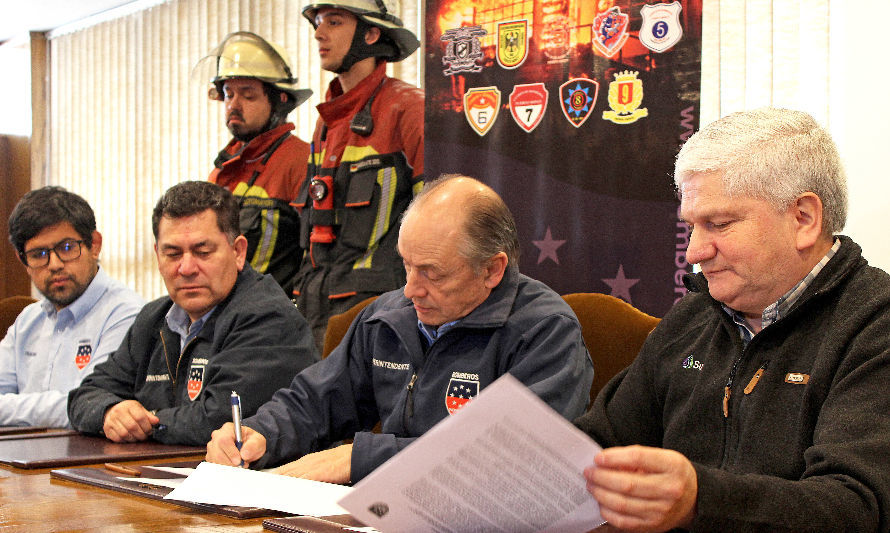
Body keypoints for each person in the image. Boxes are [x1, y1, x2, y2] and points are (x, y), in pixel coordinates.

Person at [577, 108, 890, 532]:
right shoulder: (694, 317)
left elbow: (857, 507)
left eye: (718, 224)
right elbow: (598, 443)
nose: (694, 251)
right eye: (692, 227)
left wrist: (700, 500)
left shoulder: (875, 324)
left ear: (803, 219)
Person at [207, 175, 594, 483]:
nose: (411, 289)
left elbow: (516, 458)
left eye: (432, 273)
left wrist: (363, 459)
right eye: (407, 265)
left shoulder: (544, 331)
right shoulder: (388, 317)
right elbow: (317, 401)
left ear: (492, 269)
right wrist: (260, 433)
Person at [68, 181, 318, 445]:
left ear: (238, 252)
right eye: (173, 254)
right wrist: (110, 412)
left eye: (203, 252)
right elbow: (85, 396)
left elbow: (220, 420)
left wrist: (146, 421)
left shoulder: (268, 317)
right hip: (160, 474)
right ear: (157, 256)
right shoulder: (154, 318)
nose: (186, 268)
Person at [291, 0, 425, 350]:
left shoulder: (409, 109)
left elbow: (437, 229)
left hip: (379, 316)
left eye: (333, 22)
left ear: (371, 33)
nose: (319, 33)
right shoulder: (326, 124)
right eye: (318, 23)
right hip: (314, 311)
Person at [0, 187, 143, 428]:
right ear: (23, 261)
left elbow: (88, 404)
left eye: (66, 248)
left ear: (94, 245)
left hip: (88, 458)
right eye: (38, 254)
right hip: (20, 456)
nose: (54, 265)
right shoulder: (27, 320)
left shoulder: (126, 313)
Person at [202, 31, 313, 295]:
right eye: (228, 94)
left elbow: (316, 256)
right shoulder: (221, 171)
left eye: (248, 95)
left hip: (273, 319)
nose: (234, 105)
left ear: (279, 100)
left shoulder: (300, 160)